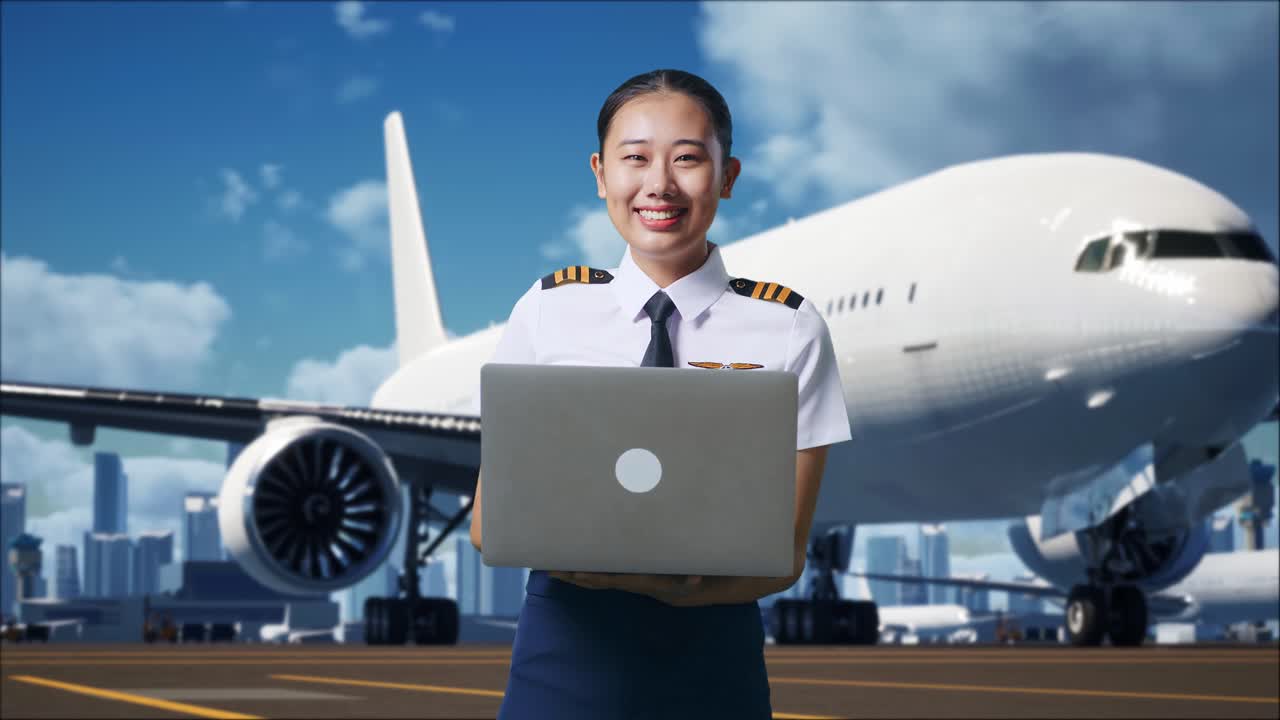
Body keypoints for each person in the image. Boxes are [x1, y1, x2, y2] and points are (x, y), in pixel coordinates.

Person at [469, 68, 852, 719]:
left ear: (728, 176)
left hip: (713, 658)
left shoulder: (790, 327)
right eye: (636, 159)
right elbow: (488, 522)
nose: (659, 185)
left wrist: (659, 585)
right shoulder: (547, 309)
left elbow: (786, 556)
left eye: (688, 160)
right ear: (599, 174)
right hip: (565, 651)